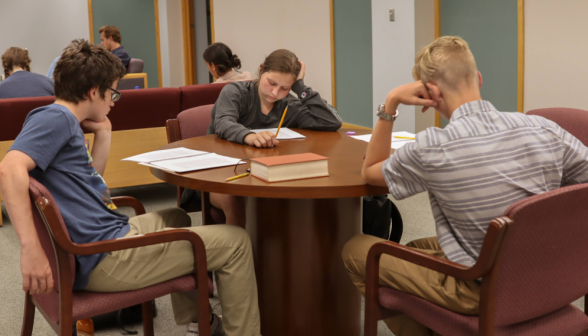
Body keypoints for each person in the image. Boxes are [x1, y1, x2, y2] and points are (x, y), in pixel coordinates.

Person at [0, 39, 260, 336]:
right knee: (236, 242)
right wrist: (30, 250)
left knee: (177, 217)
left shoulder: (62, 118)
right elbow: (8, 169)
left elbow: (90, 183)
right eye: (113, 92)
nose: (114, 100)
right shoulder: (56, 120)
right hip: (106, 256)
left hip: (102, 240)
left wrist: (105, 133)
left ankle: (200, 324)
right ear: (93, 91)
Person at [341, 36, 588, 336]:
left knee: (357, 249)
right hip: (552, 273)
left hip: (482, 287)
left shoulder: (432, 147)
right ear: (479, 79)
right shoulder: (542, 127)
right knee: (416, 248)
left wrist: (391, 101)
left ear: (430, 92)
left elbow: (370, 173)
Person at [182, 49, 342, 228]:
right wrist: (249, 135)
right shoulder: (235, 92)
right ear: (261, 70)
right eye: (271, 83)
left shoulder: (289, 105)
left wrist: (300, 88)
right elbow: (223, 122)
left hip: (270, 175)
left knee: (302, 202)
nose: (274, 93)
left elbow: (332, 121)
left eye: (285, 88)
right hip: (223, 176)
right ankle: (239, 253)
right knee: (236, 202)